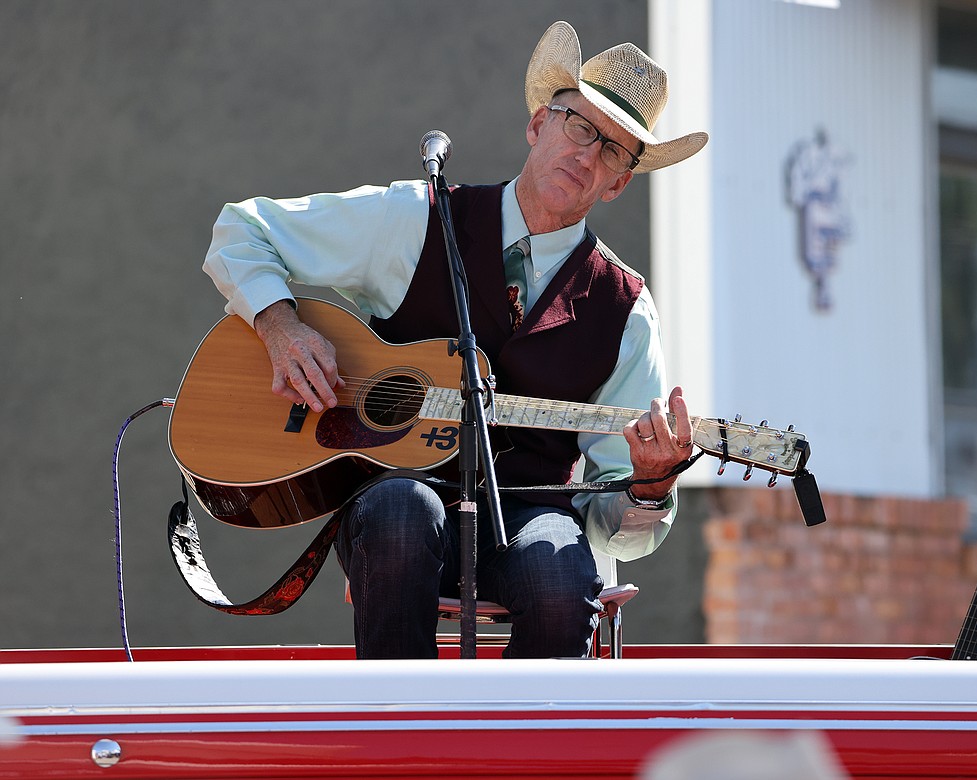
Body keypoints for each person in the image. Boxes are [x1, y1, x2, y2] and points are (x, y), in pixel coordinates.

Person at [202, 21, 708, 659]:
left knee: (558, 573)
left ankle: (523, 756)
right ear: (537, 124)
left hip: (528, 522)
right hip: (396, 497)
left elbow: (615, 524)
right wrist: (281, 328)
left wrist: (649, 488)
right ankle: (394, 744)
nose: (587, 155)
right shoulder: (416, 218)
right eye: (580, 127)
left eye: (613, 151)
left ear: (620, 183)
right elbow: (242, 230)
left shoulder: (625, 308)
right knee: (402, 513)